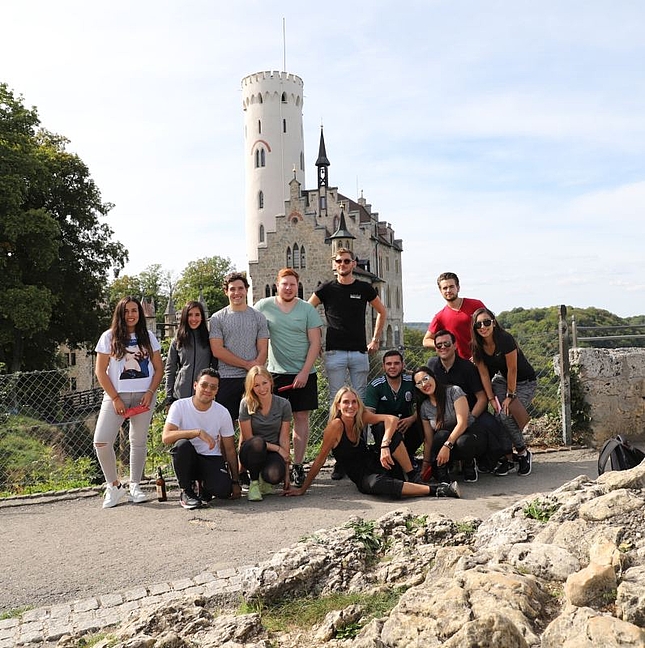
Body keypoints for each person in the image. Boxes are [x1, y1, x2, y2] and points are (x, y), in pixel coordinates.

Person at [284, 386, 460, 500]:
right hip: (363, 476)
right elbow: (320, 460)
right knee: (378, 485)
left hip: (378, 462)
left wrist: (384, 445)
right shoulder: (335, 426)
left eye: (354, 402)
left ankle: (413, 475)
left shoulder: (360, 416)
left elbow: (391, 419)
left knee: (383, 428)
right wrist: (302, 489)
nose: (351, 406)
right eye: (346, 402)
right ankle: (437, 490)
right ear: (338, 405)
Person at [308, 247, 387, 479]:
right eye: (339, 261)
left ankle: (358, 454)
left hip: (359, 352)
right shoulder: (326, 288)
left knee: (359, 404)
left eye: (346, 261)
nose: (342, 264)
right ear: (334, 264)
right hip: (334, 353)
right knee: (337, 404)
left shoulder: (363, 288)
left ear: (354, 264)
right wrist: (315, 341)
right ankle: (340, 459)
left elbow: (382, 312)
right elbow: (306, 311)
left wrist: (376, 339)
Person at [255, 268, 323, 487]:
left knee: (301, 419)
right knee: (273, 421)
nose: (288, 288)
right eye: (284, 284)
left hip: (304, 373)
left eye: (292, 284)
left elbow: (315, 342)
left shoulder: (307, 309)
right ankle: (274, 465)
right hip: (275, 374)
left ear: (297, 286)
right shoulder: (263, 306)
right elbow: (249, 325)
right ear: (277, 285)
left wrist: (304, 372)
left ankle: (298, 465)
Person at [93, 296, 164, 509]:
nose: (131, 315)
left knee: (138, 441)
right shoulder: (108, 337)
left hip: (144, 395)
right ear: (120, 314)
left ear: (139, 314)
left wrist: (150, 392)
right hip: (117, 396)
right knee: (101, 441)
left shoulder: (148, 337)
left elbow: (158, 368)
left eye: (134, 311)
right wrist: (115, 398)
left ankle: (135, 486)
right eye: (126, 311)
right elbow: (100, 371)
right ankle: (114, 486)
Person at [427, 329, 509, 476]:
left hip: (471, 412)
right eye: (439, 345)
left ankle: (492, 459)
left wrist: (470, 418)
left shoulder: (467, 368)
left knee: (490, 425)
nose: (443, 347)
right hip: (446, 415)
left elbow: (482, 398)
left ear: (455, 345)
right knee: (437, 434)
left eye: (447, 344)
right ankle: (444, 464)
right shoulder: (432, 365)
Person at [162, 368, 242, 509]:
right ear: (195, 385)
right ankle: (187, 491)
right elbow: (166, 437)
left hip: (211, 457)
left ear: (217, 390)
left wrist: (235, 481)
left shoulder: (222, 412)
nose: (208, 390)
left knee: (223, 491)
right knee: (181, 445)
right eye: (204, 385)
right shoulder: (179, 406)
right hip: (188, 457)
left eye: (213, 387)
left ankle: (204, 487)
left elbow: (230, 449)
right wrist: (196, 432)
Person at [471, 308, 537, 476]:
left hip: (524, 382)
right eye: (478, 324)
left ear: (493, 322)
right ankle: (508, 458)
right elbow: (484, 375)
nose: (483, 327)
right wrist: (491, 399)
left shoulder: (505, 339)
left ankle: (522, 452)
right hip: (501, 381)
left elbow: (512, 369)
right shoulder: (477, 345)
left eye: (486, 322)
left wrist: (510, 396)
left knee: (506, 415)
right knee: (499, 416)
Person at [209, 272, 269, 423]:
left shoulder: (258, 317)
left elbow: (263, 349)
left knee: (255, 424)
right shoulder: (217, 318)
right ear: (226, 292)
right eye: (232, 289)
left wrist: (255, 370)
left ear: (246, 290)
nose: (237, 293)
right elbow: (217, 350)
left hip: (253, 379)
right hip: (227, 378)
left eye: (240, 288)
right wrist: (246, 364)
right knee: (225, 424)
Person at [413, 367, 487, 484]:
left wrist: (447, 446)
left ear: (433, 377)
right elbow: (429, 440)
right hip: (445, 443)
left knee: (463, 442)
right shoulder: (425, 407)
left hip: (467, 435)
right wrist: (425, 464)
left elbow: (462, 423)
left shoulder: (454, 391)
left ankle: (468, 464)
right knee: (440, 436)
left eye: (425, 379)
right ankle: (443, 469)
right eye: (419, 383)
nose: (424, 384)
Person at [238, 366, 292, 502]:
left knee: (274, 475)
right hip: (251, 450)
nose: (262, 389)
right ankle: (254, 483)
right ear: (251, 387)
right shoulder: (246, 403)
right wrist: (240, 469)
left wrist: (287, 475)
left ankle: (264, 478)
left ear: (270, 382)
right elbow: (247, 437)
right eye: (256, 385)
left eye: (264, 383)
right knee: (258, 442)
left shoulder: (284, 405)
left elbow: (284, 438)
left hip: (272, 452)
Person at [364, 349, 423, 462]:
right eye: (389, 364)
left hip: (406, 424)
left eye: (396, 363)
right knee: (380, 427)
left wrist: (412, 419)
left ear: (403, 365)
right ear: (383, 366)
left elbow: (425, 405)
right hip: (384, 428)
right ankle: (387, 457)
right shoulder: (375, 385)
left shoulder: (412, 382)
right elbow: (367, 415)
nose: (392, 367)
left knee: (422, 422)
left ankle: (409, 456)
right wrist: (389, 420)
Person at [423, 272, 485, 360]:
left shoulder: (476, 305)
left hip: (483, 358)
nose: (448, 290)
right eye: (445, 288)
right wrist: (445, 345)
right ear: (440, 291)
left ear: (458, 288)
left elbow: (492, 327)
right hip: (459, 363)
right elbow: (426, 341)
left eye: (451, 286)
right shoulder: (440, 316)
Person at [164, 301, 214, 408]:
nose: (194, 319)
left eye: (197, 315)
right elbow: (170, 368)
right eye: (190, 315)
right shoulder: (178, 339)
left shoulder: (209, 339)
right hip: (181, 395)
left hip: (203, 394)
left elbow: (215, 367)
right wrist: (169, 397)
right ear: (184, 317)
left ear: (202, 317)